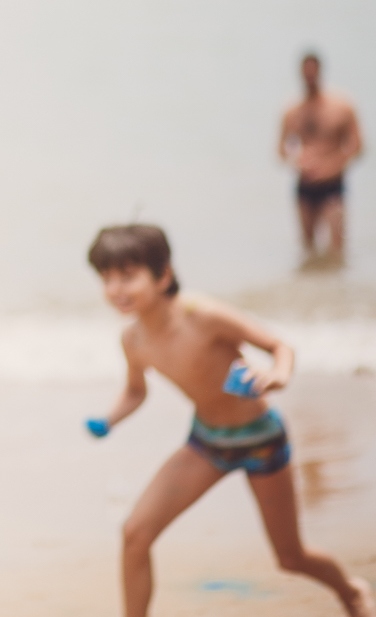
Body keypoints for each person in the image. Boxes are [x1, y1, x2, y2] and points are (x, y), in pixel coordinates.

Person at [84, 224, 374, 617]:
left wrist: (278, 374)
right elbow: (136, 391)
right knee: (135, 533)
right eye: (108, 278)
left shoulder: (202, 315)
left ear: (163, 275)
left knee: (290, 556)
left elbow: (279, 346)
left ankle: (351, 591)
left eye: (128, 276)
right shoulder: (133, 340)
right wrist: (110, 419)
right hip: (206, 443)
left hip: (260, 440)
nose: (116, 289)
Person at [278, 52, 363, 265]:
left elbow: (357, 146)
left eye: (313, 74)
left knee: (337, 247)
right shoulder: (292, 111)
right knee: (307, 248)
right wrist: (298, 161)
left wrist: (331, 166)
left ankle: (337, 288)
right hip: (305, 185)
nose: (310, 78)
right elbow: (281, 150)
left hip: (333, 184)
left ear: (320, 72)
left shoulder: (341, 106)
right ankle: (311, 289)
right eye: (306, 75)